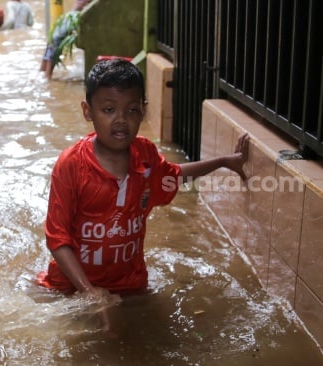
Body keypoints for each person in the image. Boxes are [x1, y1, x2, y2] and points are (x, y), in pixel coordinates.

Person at [36, 59, 250, 327]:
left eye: (132, 109)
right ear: (87, 111)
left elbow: (174, 176)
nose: (121, 120)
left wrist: (223, 162)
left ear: (143, 112)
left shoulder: (145, 157)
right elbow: (57, 238)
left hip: (130, 287)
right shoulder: (71, 165)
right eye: (109, 109)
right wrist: (89, 293)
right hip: (70, 289)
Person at [39, 0, 91, 79]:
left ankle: (44, 75)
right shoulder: (75, 16)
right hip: (57, 39)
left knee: (48, 57)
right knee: (51, 59)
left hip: (54, 36)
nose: (81, 2)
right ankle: (47, 78)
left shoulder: (70, 14)